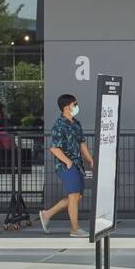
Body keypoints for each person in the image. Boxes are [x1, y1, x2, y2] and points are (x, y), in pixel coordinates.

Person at [39, 94, 94, 237]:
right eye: (74, 104)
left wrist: (90, 159)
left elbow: (82, 143)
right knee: (74, 195)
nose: (76, 106)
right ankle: (75, 229)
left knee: (77, 197)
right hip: (65, 166)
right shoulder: (58, 125)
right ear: (66, 107)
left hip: (78, 164)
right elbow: (55, 148)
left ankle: (47, 214)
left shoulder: (76, 123)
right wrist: (68, 162)